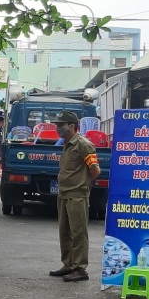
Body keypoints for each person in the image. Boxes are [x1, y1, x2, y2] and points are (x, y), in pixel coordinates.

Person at [49, 111, 100, 283]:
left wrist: (82, 184)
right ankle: (68, 264)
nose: (57, 128)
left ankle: (80, 269)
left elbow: (95, 170)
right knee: (65, 231)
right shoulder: (67, 143)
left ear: (71, 126)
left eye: (60, 125)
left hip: (77, 195)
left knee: (78, 232)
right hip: (64, 194)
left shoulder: (83, 144)